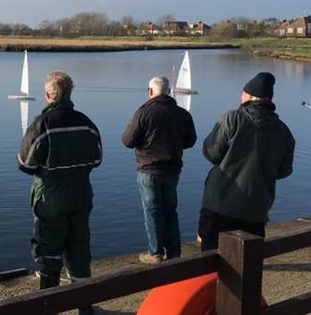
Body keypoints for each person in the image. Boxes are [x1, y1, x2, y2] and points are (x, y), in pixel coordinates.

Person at [17, 71, 102, 315]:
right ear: (70, 93)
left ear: (48, 94)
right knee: (79, 246)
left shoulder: (43, 123)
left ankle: (48, 309)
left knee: (48, 249)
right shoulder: (86, 122)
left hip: (50, 197)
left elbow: (26, 163)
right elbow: (97, 159)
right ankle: (84, 306)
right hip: (81, 194)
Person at [198, 72, 295, 250]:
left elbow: (212, 153)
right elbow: (284, 171)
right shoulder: (284, 131)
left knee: (210, 259)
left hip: (220, 204)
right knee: (249, 261)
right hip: (257, 209)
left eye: (242, 93)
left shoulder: (232, 119)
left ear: (249, 96)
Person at [121, 76, 197, 263]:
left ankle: (155, 253)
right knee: (171, 210)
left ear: (149, 92)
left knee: (152, 211)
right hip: (172, 170)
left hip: (148, 170)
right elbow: (191, 141)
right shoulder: (183, 114)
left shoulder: (144, 113)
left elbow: (127, 141)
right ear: (169, 91)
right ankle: (174, 252)